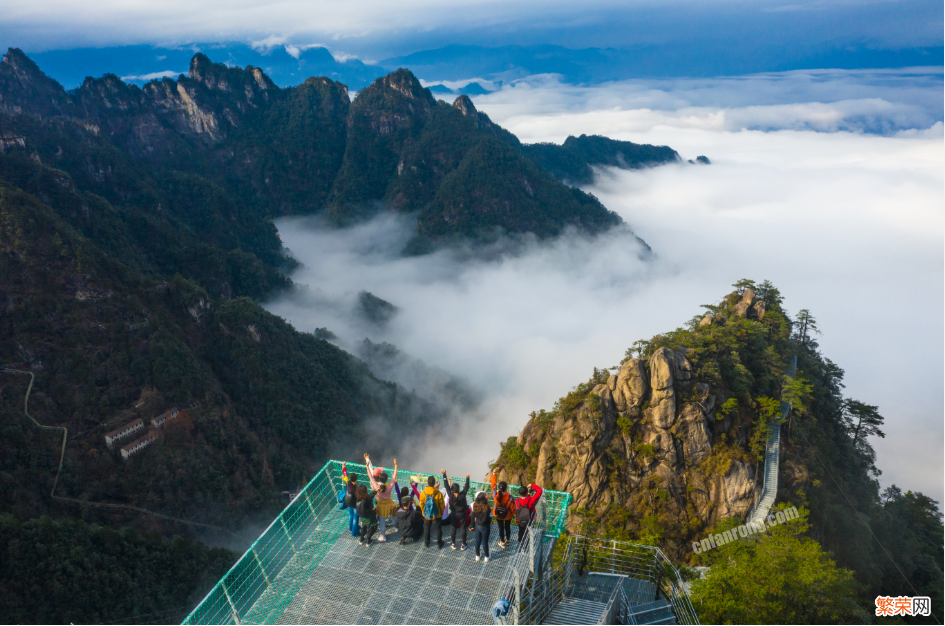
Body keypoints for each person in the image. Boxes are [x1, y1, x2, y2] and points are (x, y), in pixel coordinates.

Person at [365, 454, 398, 542]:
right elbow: (394, 476)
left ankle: (383, 536)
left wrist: (367, 466)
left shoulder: (376, 485)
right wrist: (395, 465)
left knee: (382, 521)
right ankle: (397, 528)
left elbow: (370, 476)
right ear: (386, 479)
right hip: (390, 504)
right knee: (393, 517)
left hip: (381, 506)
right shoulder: (390, 486)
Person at [445, 470, 471, 550]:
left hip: (453, 513)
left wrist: (444, 475)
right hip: (462, 513)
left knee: (453, 528)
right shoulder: (462, 495)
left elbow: (446, 486)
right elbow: (466, 487)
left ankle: (453, 543)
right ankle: (463, 544)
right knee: (463, 528)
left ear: (452, 489)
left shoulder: (450, 495)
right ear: (459, 489)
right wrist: (467, 478)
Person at [514, 483, 543, 548]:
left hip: (520, 519)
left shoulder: (517, 501)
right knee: (527, 532)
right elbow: (539, 490)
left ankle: (520, 542)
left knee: (521, 530)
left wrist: (527, 494)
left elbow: (522, 501)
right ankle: (525, 546)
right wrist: (532, 485)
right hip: (530, 519)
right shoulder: (531, 500)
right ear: (527, 493)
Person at [491, 473, 515, 548]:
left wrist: (494, 474)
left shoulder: (495, 495)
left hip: (498, 514)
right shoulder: (510, 497)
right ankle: (508, 540)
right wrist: (514, 515)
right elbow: (513, 508)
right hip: (507, 515)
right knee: (507, 527)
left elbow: (493, 486)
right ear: (506, 488)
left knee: (500, 528)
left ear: (499, 488)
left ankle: (502, 542)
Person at [472, 491, 492, 563]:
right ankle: (486, 556)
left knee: (477, 540)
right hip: (485, 527)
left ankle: (477, 555)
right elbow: (484, 520)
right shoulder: (486, 507)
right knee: (484, 542)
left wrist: (473, 524)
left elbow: (473, 515)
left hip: (477, 526)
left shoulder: (475, 505)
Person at [342, 462, 360, 538]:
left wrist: (343, 466)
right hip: (354, 504)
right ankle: (354, 532)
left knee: (351, 515)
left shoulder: (348, 482)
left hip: (347, 502)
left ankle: (350, 528)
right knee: (356, 518)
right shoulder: (356, 488)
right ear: (356, 479)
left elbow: (345, 474)